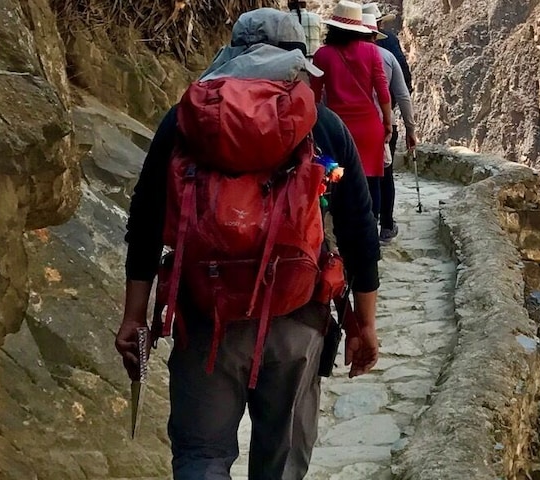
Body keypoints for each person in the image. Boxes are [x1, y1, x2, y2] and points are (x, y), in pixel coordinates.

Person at [114, 9, 381, 480]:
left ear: (232, 51)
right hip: (297, 317)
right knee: (280, 464)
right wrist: (364, 323)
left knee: (201, 457)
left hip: (206, 316)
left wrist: (135, 314)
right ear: (299, 57)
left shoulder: (186, 122)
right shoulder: (322, 124)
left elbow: (146, 221)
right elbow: (360, 230)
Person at [312, 1, 394, 238]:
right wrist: (386, 123)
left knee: (337, 177)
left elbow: (315, 97)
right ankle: (371, 229)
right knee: (371, 180)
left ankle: (340, 230)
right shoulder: (371, 51)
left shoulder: (322, 55)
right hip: (369, 128)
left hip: (337, 130)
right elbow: (383, 91)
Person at [361, 5, 416, 243]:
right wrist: (409, 127)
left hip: (348, 125)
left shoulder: (331, 54)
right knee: (384, 172)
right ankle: (386, 224)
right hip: (383, 121)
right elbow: (403, 88)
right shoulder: (389, 48)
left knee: (358, 174)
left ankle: (363, 225)